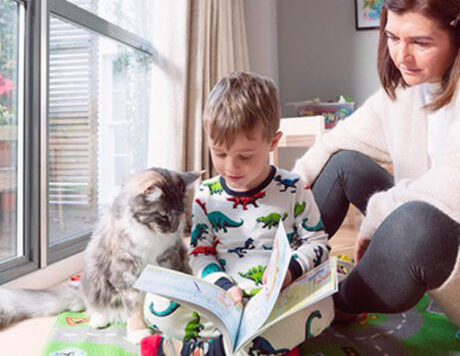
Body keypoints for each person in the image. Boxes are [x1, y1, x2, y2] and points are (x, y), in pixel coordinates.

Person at [293, 0, 460, 349]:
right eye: (393, 37)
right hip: (449, 257)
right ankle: (275, 278)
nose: (401, 55)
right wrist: (270, 198)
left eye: (420, 42)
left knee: (414, 222)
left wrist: (379, 214)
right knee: (344, 162)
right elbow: (332, 146)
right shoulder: (410, 89)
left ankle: (334, 304)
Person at [141, 72, 334, 356]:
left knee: (322, 307)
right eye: (219, 153)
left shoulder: (294, 187)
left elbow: (317, 243)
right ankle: (258, 348)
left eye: (245, 156)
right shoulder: (206, 194)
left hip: (276, 296)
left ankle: (199, 350)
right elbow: (200, 253)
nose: (231, 167)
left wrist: (290, 273)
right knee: (155, 305)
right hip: (222, 296)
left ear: (273, 142)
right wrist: (220, 284)